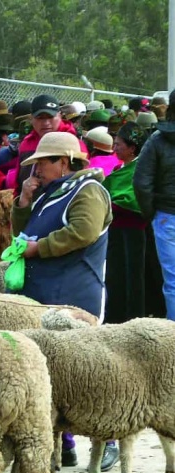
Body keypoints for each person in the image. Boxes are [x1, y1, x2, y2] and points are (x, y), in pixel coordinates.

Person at [13, 132, 112, 470]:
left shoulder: (89, 191)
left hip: (74, 292)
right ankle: (64, 444)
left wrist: (39, 248)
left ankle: (109, 436)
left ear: (65, 162)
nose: (36, 167)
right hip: (43, 291)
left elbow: (83, 232)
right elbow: (23, 233)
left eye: (44, 161)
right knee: (50, 375)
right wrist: (24, 201)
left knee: (83, 374)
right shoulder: (49, 193)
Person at [134, 90, 175, 321]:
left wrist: (151, 213)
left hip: (167, 217)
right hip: (165, 214)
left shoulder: (158, 140)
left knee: (173, 281)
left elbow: (141, 183)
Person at [104, 123, 148, 325]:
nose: (115, 148)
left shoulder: (140, 169)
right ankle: (114, 318)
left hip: (134, 231)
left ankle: (134, 319)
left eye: (119, 144)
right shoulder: (117, 169)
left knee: (133, 276)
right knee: (115, 274)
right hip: (115, 229)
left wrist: (111, 204)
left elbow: (135, 200)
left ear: (132, 147)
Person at [13, 94, 86, 192]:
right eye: (40, 118)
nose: (46, 123)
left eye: (50, 117)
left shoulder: (74, 144)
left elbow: (82, 183)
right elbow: (18, 181)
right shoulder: (26, 144)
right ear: (31, 119)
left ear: (59, 115)